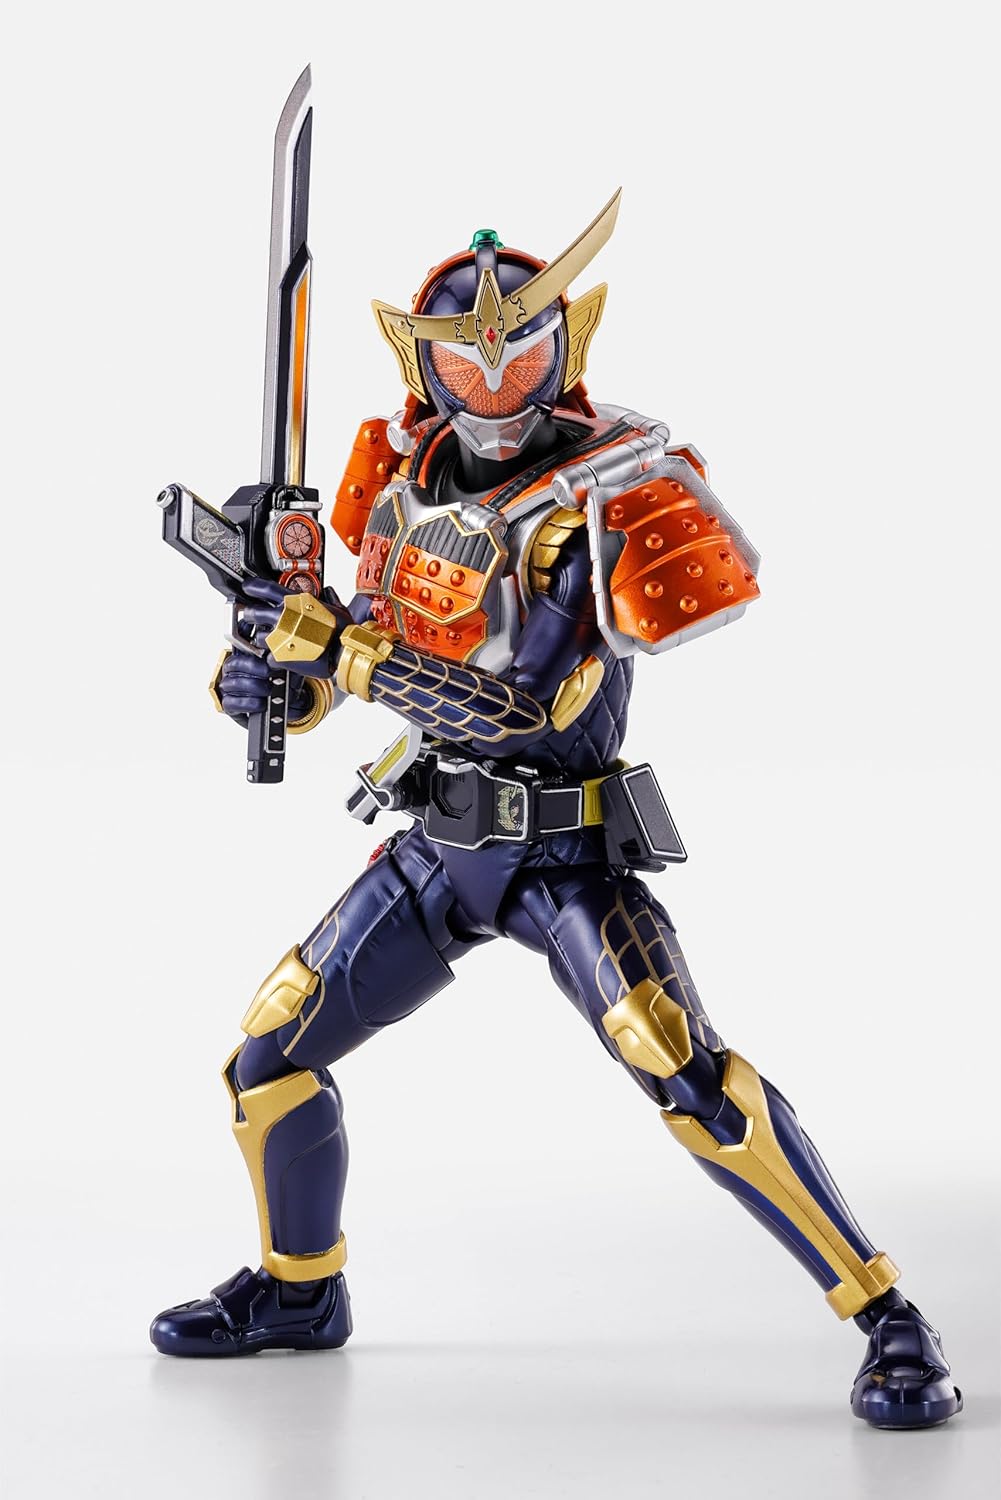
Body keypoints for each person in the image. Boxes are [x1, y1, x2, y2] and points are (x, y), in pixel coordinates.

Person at [150, 194, 960, 1429]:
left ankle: (885, 1312)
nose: (490, 382)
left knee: (673, 1057)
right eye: (461, 359)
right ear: (419, 361)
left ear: (564, 345)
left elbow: (520, 704)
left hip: (563, 850)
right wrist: (268, 676)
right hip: (438, 845)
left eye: (516, 354)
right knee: (267, 1056)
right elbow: (341, 656)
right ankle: (299, 1290)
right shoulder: (395, 478)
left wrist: (343, 657)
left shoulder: (605, 497)